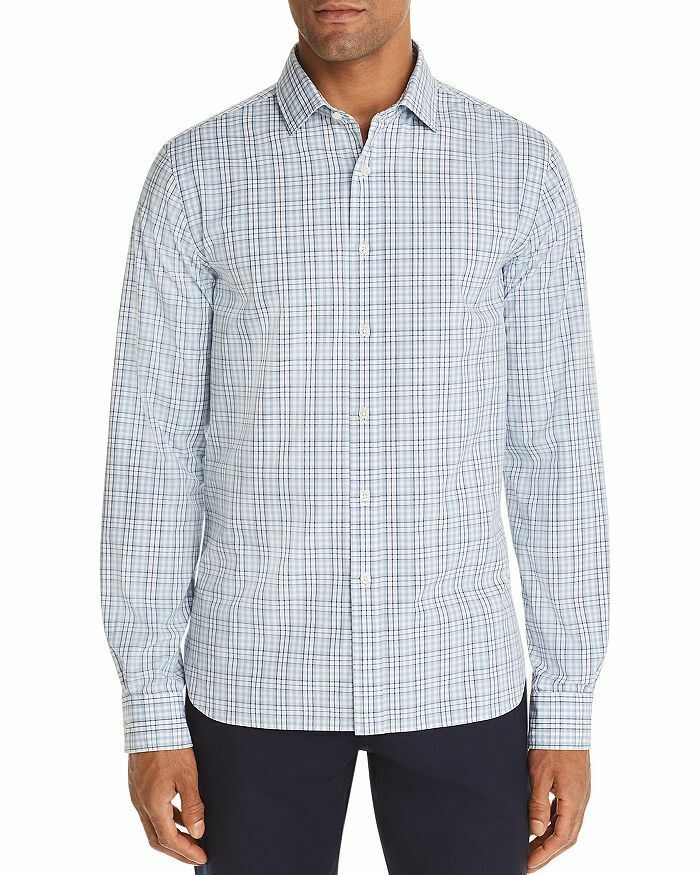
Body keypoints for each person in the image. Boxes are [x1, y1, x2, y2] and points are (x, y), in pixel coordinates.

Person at [100, 2, 609, 872]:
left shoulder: (518, 169)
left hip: (458, 672)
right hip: (254, 677)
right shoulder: (197, 173)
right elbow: (153, 448)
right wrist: (150, 707)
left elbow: (555, 446)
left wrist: (566, 706)